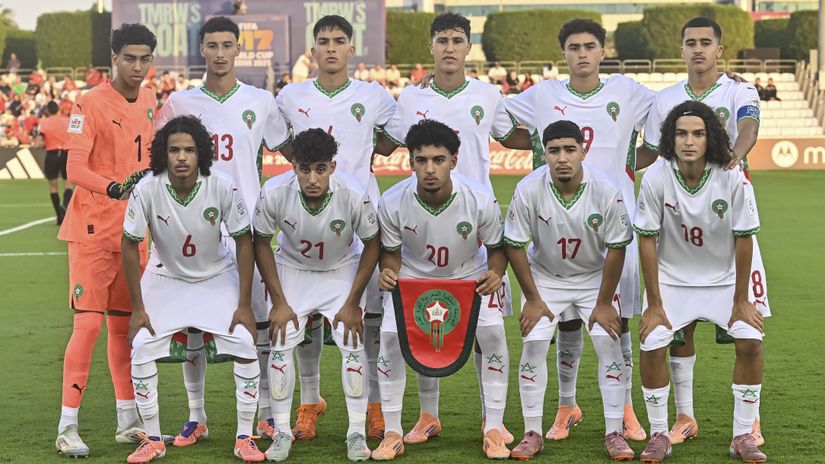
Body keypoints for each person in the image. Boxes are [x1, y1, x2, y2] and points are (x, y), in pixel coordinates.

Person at [376, 12, 530, 448]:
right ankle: (427, 417)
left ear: (467, 48)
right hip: (422, 224)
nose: (449, 47)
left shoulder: (487, 94)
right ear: (431, 47)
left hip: (475, 229)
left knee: (488, 336)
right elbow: (385, 143)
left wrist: (563, 144)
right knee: (420, 327)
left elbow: (514, 136)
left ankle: (491, 421)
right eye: (441, 39)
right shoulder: (408, 99)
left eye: (457, 40)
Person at [504, 18, 655, 442]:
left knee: (617, 323)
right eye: (574, 47)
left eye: (590, 46)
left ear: (602, 51)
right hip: (556, 221)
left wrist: (720, 79)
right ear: (564, 54)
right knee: (566, 323)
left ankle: (623, 410)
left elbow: (672, 112)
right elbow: (495, 120)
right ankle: (567, 405)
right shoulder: (543, 94)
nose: (582, 53)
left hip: (610, 226)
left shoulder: (627, 91)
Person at [154, 15, 291, 446]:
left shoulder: (262, 101)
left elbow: (289, 153)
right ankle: (197, 415)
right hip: (197, 233)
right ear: (202, 51)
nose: (219, 53)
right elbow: (161, 164)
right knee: (193, 323)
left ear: (237, 48)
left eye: (226, 45)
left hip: (248, 231)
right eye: (211, 45)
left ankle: (266, 412)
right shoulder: (180, 103)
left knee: (260, 322)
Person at [641, 17, 768, 447]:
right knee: (679, 332)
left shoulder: (739, 89)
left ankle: (748, 425)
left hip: (725, 209)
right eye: (690, 43)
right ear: (681, 50)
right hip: (680, 221)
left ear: (719, 48)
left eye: (705, 42)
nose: (698, 49)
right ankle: (683, 417)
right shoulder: (665, 100)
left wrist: (733, 155)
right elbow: (651, 148)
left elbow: (749, 126)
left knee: (748, 331)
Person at [275, 14, 396, 442]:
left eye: (339, 41)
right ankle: (310, 403)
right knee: (306, 322)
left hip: (363, 225)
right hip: (309, 221)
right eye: (323, 41)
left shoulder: (374, 96)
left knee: (372, 322)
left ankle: (376, 406)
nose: (330, 48)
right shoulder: (291, 96)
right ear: (313, 50)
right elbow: (282, 143)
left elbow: (391, 139)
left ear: (351, 49)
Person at [122, 115, 262, 463]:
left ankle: (245, 436)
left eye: (189, 150)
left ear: (201, 153)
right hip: (165, 278)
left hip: (215, 277)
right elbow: (128, 244)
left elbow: (244, 240)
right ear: (163, 154)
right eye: (174, 150)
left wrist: (244, 303)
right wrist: (138, 308)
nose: (181, 157)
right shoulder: (147, 189)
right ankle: (153, 438)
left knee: (245, 342)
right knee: (141, 346)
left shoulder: (222, 184)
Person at [373, 119, 509, 460]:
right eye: (421, 160)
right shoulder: (392, 201)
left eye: (438, 160)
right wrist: (387, 273)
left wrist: (496, 272)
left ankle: (493, 427)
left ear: (454, 160)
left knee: (493, 335)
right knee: (390, 339)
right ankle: (393, 432)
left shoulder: (480, 199)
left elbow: (497, 249)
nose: (429, 169)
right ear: (410, 162)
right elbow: (389, 256)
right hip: (415, 278)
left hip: (470, 276)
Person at [54, 23, 158, 458]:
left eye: (144, 59)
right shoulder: (88, 103)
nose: (137, 67)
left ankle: (127, 419)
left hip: (134, 232)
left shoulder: (153, 99)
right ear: (113, 58)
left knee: (124, 327)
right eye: (129, 58)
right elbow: (73, 169)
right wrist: (114, 188)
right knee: (90, 324)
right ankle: (67, 425)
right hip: (93, 230)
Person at [505, 120, 635, 460]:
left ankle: (614, 433)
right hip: (546, 278)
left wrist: (605, 302)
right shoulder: (528, 188)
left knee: (609, 344)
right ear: (544, 153)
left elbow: (618, 246)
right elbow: (515, 245)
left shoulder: (606, 189)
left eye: (569, 150)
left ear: (583, 151)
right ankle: (532, 432)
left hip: (594, 277)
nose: (562, 158)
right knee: (533, 344)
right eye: (554, 151)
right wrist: (533, 298)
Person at [254, 128, 380, 461]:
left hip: (341, 269)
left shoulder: (353, 193)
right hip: (293, 269)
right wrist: (279, 302)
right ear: (293, 165)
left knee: (352, 344)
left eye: (320, 169)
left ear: (333, 167)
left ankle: (355, 433)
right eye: (304, 169)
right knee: (280, 343)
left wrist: (353, 302)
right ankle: (282, 432)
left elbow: (373, 243)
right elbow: (260, 242)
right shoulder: (275, 191)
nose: (312, 178)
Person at [34, 100, 73, 224]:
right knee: (68, 184)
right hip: (66, 154)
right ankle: (65, 206)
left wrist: (40, 144)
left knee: (53, 187)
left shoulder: (45, 122)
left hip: (51, 155)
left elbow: (38, 143)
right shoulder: (66, 120)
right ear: (58, 109)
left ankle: (58, 215)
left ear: (47, 111)